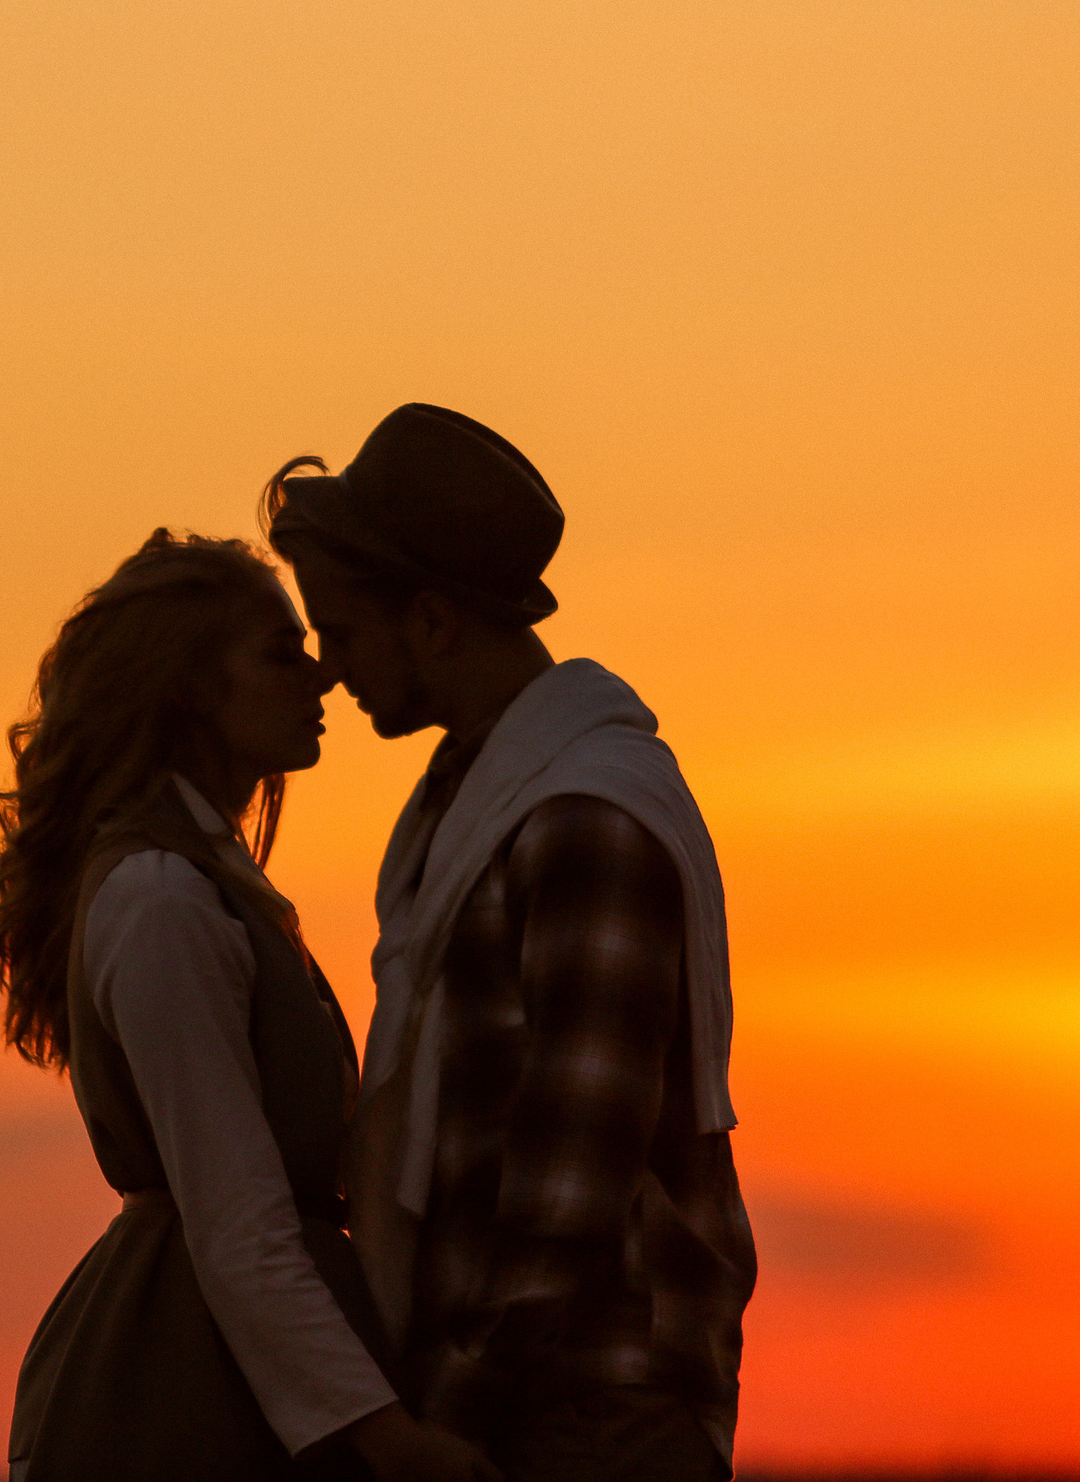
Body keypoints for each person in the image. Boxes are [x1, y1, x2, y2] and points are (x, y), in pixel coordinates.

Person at [261, 407, 757, 1482]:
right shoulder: (478, 807)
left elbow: (571, 1173)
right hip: (540, 1402)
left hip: (589, 1407)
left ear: (432, 621)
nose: (328, 670)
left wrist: (450, 1409)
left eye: (341, 631)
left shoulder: (581, 819)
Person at [0, 530, 501, 1482]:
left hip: (239, 1366)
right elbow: (237, 1224)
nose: (320, 676)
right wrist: (395, 1443)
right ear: (188, 688)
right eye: (280, 653)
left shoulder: (205, 879)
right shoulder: (159, 895)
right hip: (183, 1386)